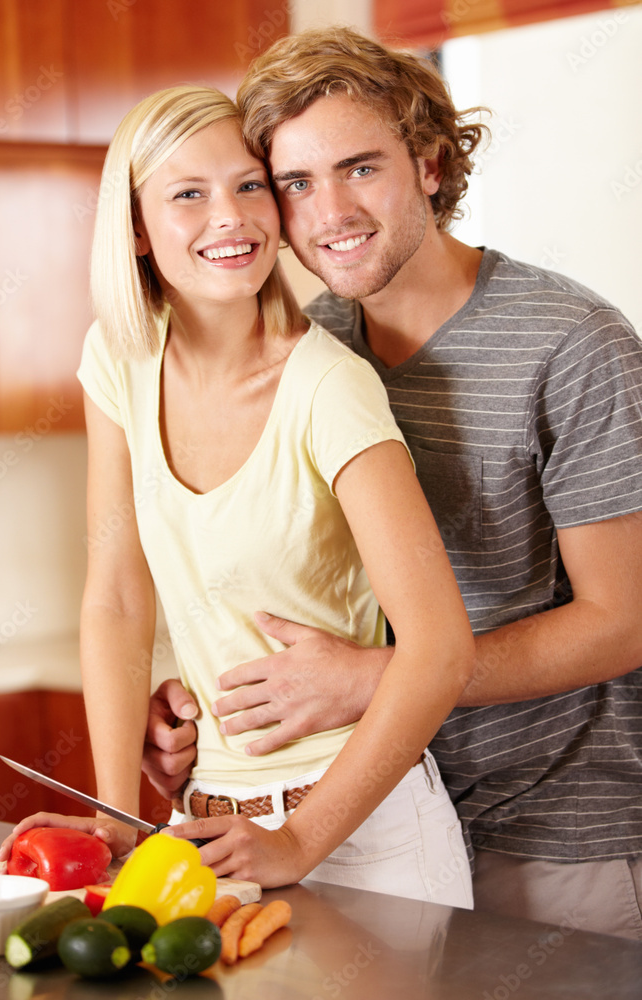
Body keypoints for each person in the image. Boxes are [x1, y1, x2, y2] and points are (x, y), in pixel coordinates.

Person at [141, 29, 642, 939]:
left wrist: (376, 679)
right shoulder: (312, 351)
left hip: (558, 841)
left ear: (432, 165)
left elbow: (625, 619)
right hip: (376, 819)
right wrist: (206, 701)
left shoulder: (573, 346)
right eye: (294, 183)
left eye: (360, 167)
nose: (330, 210)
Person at [0, 83, 476, 907]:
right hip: (208, 833)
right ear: (139, 231)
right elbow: (116, 595)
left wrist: (300, 839)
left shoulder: (330, 387)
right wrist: (116, 813)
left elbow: (439, 647)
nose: (231, 216)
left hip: (366, 837)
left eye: (249, 185)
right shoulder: (119, 359)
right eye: (189, 194)